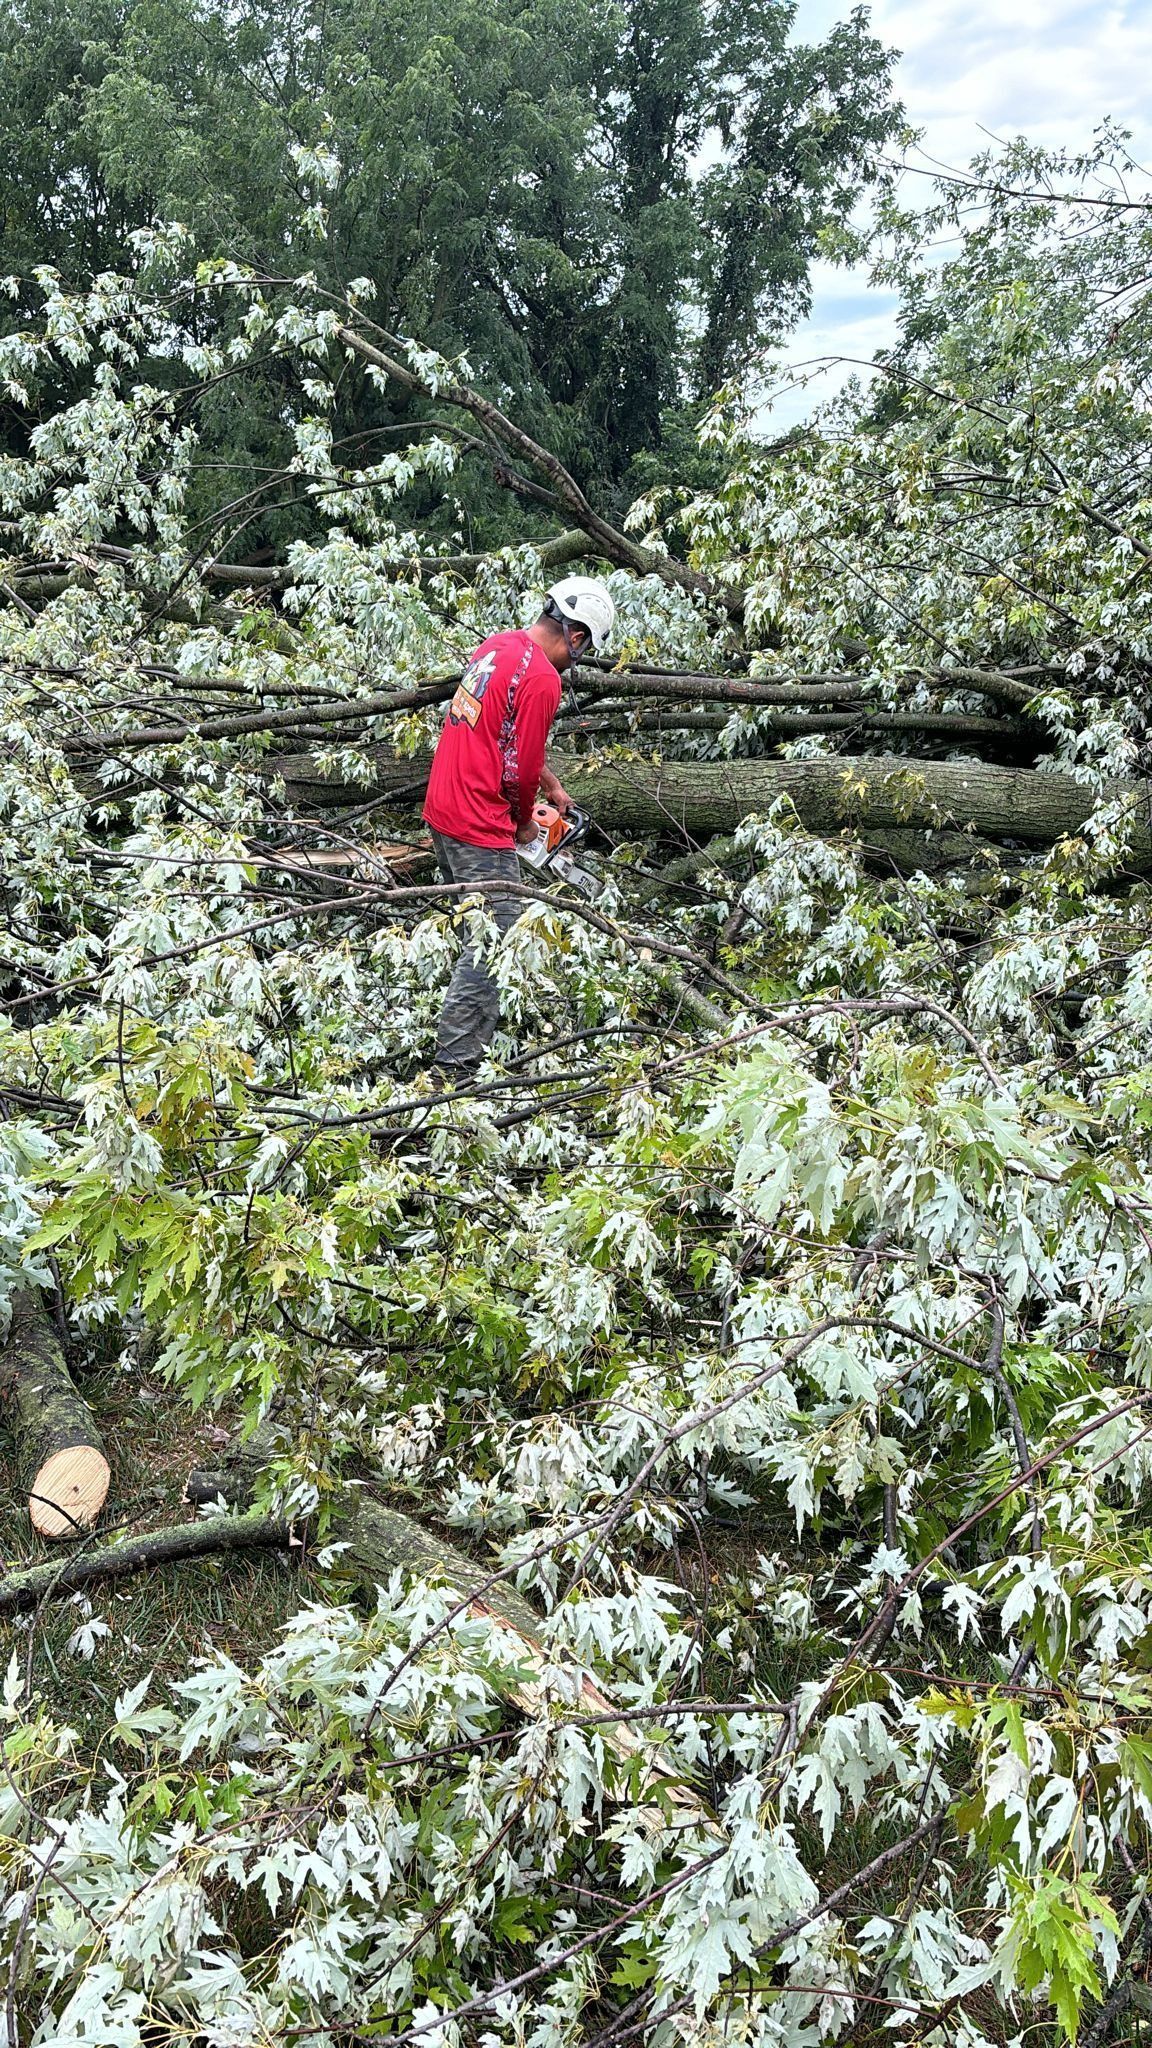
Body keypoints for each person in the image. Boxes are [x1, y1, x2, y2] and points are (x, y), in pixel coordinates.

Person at [422, 576, 616, 1082]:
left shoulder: (500, 644)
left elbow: (498, 732)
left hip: (444, 806)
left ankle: (461, 1024)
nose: (580, 658)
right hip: (477, 819)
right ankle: (455, 1068)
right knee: (494, 938)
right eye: (586, 647)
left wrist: (552, 785)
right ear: (575, 636)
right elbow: (517, 771)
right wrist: (526, 824)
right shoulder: (544, 680)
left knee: (473, 926)